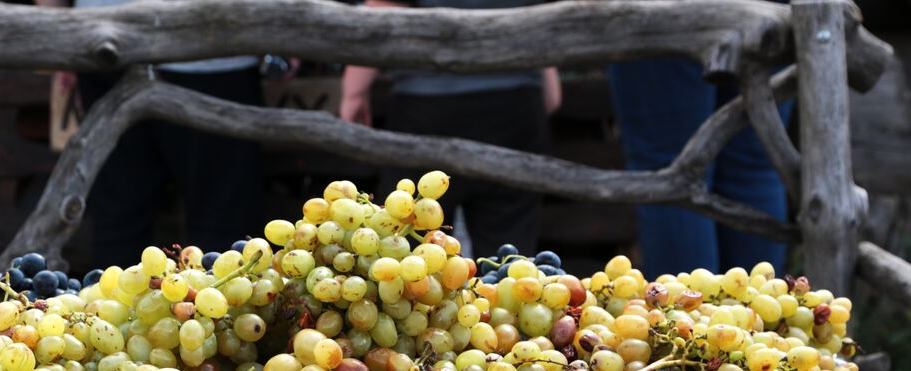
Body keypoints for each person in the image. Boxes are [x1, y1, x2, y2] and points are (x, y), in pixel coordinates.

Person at [37, 0, 264, 268]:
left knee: (123, 222)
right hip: (131, 46)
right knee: (218, 222)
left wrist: (60, 33)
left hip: (120, 41)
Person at [339, 0, 562, 258]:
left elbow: (383, 10)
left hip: (426, 108)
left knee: (410, 243)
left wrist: (354, 93)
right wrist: (545, 95)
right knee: (508, 254)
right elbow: (542, 23)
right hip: (515, 105)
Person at [608, 59, 793, 275]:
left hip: (663, 29)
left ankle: (687, 306)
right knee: (751, 168)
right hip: (768, 28)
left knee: (669, 172)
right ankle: (756, 303)